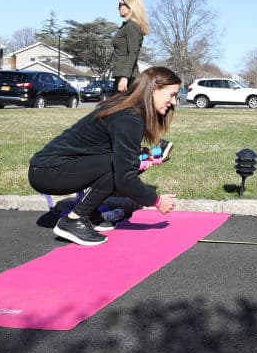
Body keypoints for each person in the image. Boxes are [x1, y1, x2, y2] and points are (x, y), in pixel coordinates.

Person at [28, 66, 180, 246]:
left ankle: (90, 215)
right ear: (154, 90)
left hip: (50, 168)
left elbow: (104, 149)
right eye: (171, 95)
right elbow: (124, 178)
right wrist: (156, 200)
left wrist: (139, 155)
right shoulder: (129, 117)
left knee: (124, 163)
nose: (175, 102)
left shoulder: (127, 109)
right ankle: (74, 220)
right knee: (119, 167)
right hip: (47, 172)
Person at [112, 0, 150, 94]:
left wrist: (125, 77)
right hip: (122, 76)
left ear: (130, 7)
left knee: (116, 109)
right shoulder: (126, 26)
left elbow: (133, 53)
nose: (118, 7)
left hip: (127, 79)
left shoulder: (132, 26)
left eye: (121, 4)